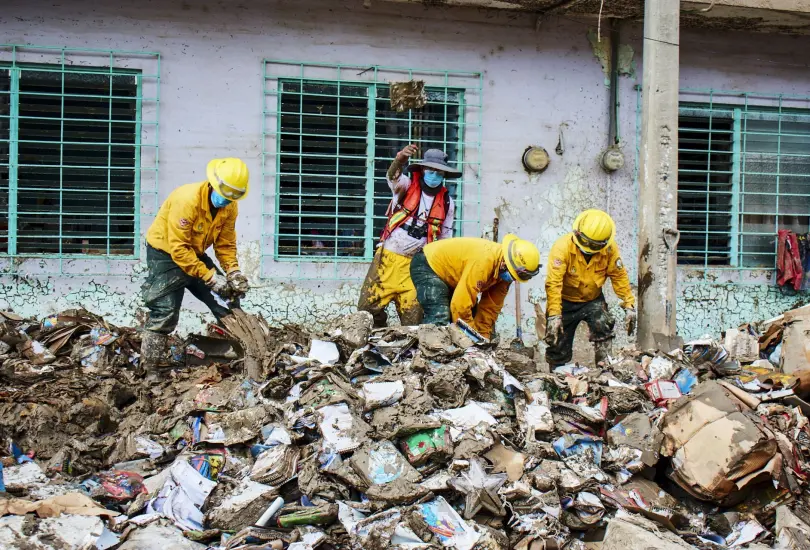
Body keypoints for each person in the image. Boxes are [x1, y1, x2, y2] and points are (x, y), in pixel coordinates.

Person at [140, 157, 251, 372]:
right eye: (226, 194)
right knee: (165, 311)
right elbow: (179, 248)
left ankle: (242, 358)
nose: (228, 200)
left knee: (228, 301)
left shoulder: (229, 206)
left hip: (195, 253)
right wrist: (209, 277)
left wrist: (233, 272)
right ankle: (151, 370)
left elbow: (225, 244)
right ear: (213, 184)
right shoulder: (187, 200)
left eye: (233, 197)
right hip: (166, 254)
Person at [357, 145, 459, 327]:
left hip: (417, 265)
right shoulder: (405, 186)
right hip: (388, 258)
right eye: (431, 170)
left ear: (444, 176)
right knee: (367, 308)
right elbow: (392, 176)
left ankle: (407, 352)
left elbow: (445, 236)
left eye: (439, 172)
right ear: (422, 170)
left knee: (413, 317)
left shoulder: (447, 202)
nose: (434, 175)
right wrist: (400, 158)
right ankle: (376, 339)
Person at [544, 209, 636, 367]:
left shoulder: (609, 249)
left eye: (593, 245)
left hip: (592, 300)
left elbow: (619, 275)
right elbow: (554, 283)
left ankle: (604, 368)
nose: (587, 247)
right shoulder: (562, 247)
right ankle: (557, 375)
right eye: (585, 242)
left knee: (604, 324)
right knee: (557, 340)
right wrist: (554, 315)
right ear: (578, 233)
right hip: (565, 302)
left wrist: (629, 305)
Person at [409, 234, 541, 339]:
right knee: (440, 317)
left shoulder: (506, 274)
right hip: (428, 264)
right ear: (505, 263)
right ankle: (430, 360)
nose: (512, 279)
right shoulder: (484, 262)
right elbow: (460, 306)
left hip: (453, 276)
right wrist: (472, 338)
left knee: (471, 315)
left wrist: (482, 339)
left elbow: (490, 309)